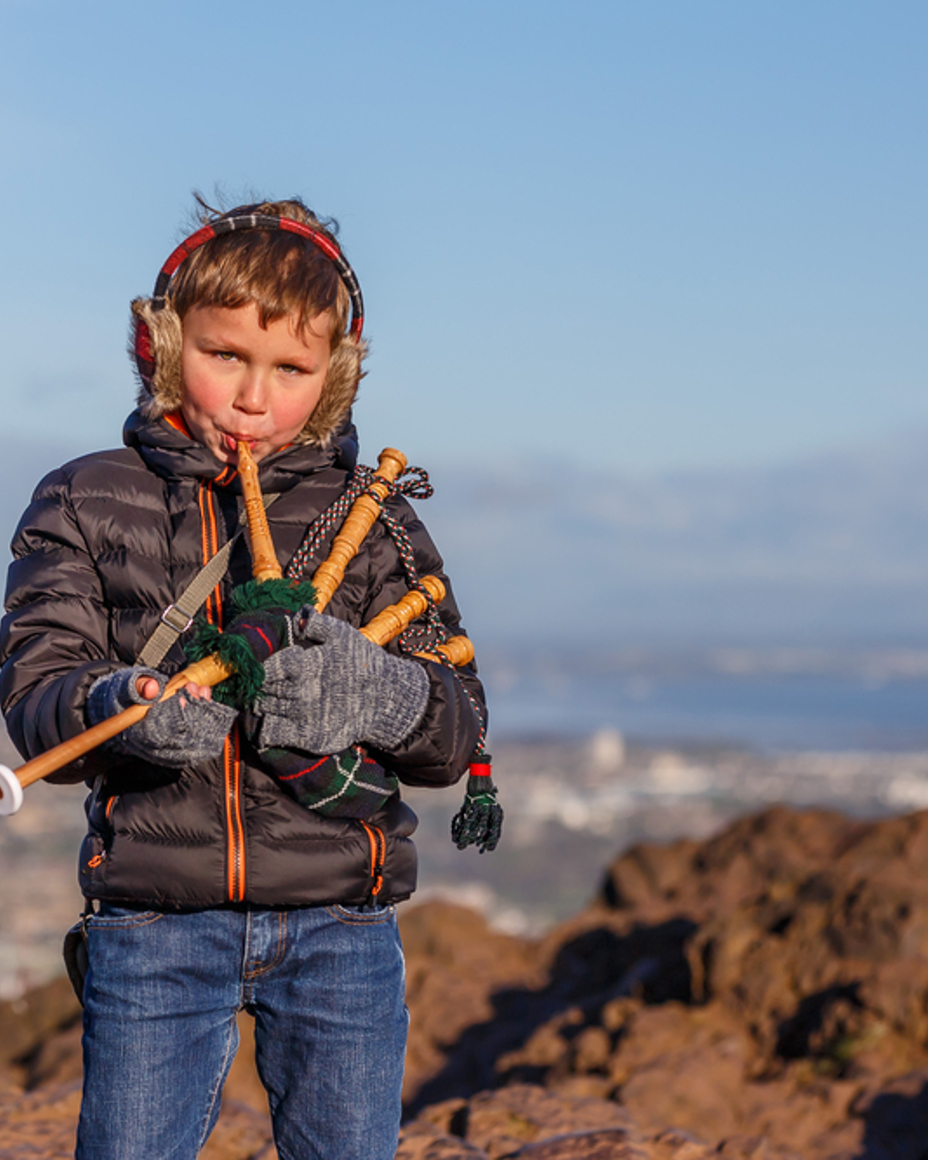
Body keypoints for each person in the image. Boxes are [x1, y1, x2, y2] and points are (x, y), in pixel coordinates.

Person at [0, 197, 486, 1159]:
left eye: (293, 370)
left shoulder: (372, 514)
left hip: (341, 922)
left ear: (335, 375)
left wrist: (378, 693)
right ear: (164, 343)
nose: (254, 398)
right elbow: (36, 695)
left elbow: (458, 731)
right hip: (152, 921)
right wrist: (118, 708)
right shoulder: (86, 496)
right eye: (225, 355)